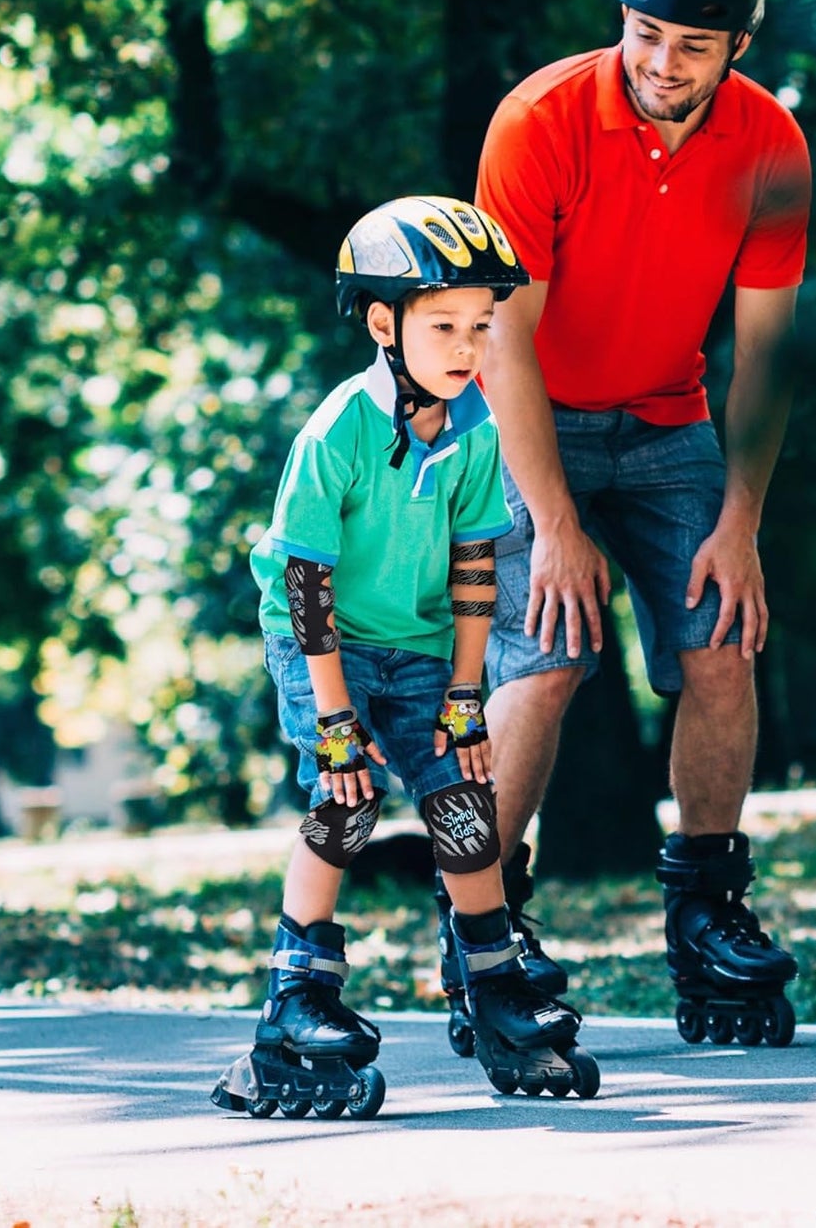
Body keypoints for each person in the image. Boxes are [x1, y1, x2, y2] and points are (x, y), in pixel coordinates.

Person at [475, 0, 810, 1047]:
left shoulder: (770, 147)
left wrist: (740, 521)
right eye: (642, 30)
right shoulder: (538, 119)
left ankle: (708, 911)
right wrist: (555, 522)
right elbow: (500, 340)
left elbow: (762, 352)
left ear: (738, 48)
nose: (659, 62)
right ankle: (483, 923)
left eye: (690, 45)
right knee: (552, 647)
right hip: (529, 421)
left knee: (722, 632)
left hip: (668, 419)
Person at [211, 196, 599, 1120]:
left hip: (422, 643)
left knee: (464, 802)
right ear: (383, 322)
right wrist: (338, 719)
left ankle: (493, 980)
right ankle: (295, 997)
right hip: (321, 644)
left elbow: (474, 566)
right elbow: (306, 582)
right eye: (442, 324)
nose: (467, 346)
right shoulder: (338, 429)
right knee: (344, 802)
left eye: (480, 324)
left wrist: (466, 694)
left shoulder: (472, 428)